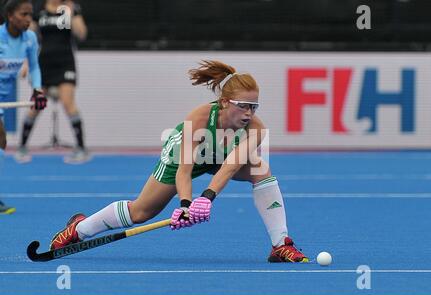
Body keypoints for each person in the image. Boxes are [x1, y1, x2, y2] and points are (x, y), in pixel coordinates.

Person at [49, 60, 309, 263]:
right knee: (141, 212)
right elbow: (184, 171)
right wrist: (185, 204)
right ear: (225, 102)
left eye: (254, 107)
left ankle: (280, 245)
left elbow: (230, 166)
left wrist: (206, 198)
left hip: (221, 157)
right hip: (184, 157)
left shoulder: (256, 128)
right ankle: (78, 230)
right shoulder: (198, 119)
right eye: (243, 106)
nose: (249, 113)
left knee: (261, 171)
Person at [15, 0, 90, 164]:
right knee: (36, 105)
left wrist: (70, 15)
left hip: (65, 63)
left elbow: (82, 33)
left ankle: (82, 149)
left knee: (68, 103)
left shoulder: (71, 8)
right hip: (44, 63)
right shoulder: (39, 9)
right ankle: (21, 147)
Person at [0, 0, 47, 214]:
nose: (29, 19)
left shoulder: (30, 39)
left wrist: (37, 89)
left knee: (1, 143)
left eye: (31, 14)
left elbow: (35, 67)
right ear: (10, 15)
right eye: (24, 14)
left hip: (2, 98)